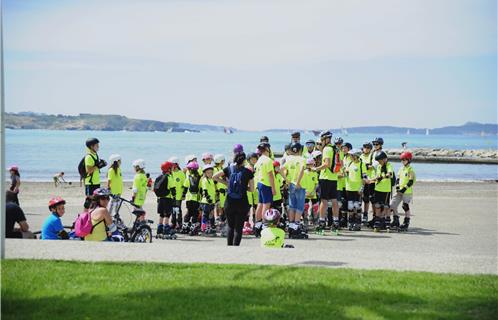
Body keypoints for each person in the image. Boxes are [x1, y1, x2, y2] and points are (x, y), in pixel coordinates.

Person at [213, 152, 254, 246]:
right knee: (238, 227)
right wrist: (244, 187)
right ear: (244, 161)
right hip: (242, 202)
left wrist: (226, 183)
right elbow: (252, 189)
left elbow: (215, 176)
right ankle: (236, 247)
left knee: (230, 226)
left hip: (229, 201)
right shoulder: (248, 172)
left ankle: (229, 247)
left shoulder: (229, 169)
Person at [314, 130, 340, 233]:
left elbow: (327, 164)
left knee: (323, 201)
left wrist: (315, 169)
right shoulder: (336, 149)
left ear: (325, 139)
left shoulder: (327, 149)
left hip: (325, 178)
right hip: (334, 178)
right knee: (334, 200)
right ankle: (336, 223)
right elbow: (340, 163)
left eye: (321, 140)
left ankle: (321, 223)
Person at [283, 142, 307, 239]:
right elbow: (302, 169)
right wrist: (298, 182)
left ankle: (291, 226)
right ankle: (296, 227)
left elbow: (280, 169)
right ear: (300, 150)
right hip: (300, 185)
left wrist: (287, 179)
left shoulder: (288, 159)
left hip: (291, 184)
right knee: (300, 206)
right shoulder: (302, 159)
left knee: (292, 205)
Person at [253, 142, 276, 237]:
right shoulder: (268, 160)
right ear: (267, 149)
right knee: (266, 205)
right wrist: (273, 188)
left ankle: (257, 224)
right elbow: (270, 175)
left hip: (259, 183)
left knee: (260, 204)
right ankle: (264, 225)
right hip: (266, 184)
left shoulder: (259, 160)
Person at [390, 151, 416, 231]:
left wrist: (403, 189)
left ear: (409, 160)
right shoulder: (401, 168)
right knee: (392, 205)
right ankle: (396, 220)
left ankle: (406, 223)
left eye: (405, 159)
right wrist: (397, 188)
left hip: (407, 191)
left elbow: (410, 181)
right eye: (402, 159)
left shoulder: (410, 169)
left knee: (405, 206)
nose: (403, 161)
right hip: (399, 191)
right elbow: (398, 179)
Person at [369, 151, 395, 231]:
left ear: (384, 159)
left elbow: (390, 174)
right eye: (378, 161)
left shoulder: (389, 165)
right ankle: (377, 222)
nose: (379, 162)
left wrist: (382, 177)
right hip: (377, 189)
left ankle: (386, 222)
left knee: (386, 206)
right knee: (377, 205)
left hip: (386, 189)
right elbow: (376, 177)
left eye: (380, 160)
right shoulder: (379, 167)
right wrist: (369, 180)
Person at [344, 149, 367, 231]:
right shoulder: (349, 163)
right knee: (350, 206)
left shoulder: (362, 164)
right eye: (350, 155)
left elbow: (365, 178)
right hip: (349, 188)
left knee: (357, 207)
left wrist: (362, 188)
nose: (351, 157)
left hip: (358, 189)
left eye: (352, 155)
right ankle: (350, 222)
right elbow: (346, 173)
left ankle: (357, 224)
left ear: (356, 156)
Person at [154, 161, 176, 238]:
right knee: (167, 214)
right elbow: (173, 189)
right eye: (171, 168)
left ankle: (159, 229)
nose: (173, 169)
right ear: (168, 169)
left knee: (161, 214)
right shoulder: (169, 177)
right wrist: (174, 197)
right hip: (167, 199)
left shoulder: (159, 176)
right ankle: (166, 229)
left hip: (160, 199)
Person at [182, 161, 201, 235]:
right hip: (197, 199)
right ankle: (192, 229)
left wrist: (183, 196)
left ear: (189, 170)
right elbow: (201, 188)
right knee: (195, 214)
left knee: (189, 213)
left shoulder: (188, 178)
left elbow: (185, 188)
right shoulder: (200, 178)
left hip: (189, 198)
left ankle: (184, 228)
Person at [360, 142, 375, 224]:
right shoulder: (361, 156)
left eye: (368, 147)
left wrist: (365, 166)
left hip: (370, 180)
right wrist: (367, 166)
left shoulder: (372, 156)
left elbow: (373, 166)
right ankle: (362, 214)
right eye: (365, 147)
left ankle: (369, 215)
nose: (366, 149)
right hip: (362, 180)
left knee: (369, 199)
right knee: (361, 199)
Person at [200, 163, 217, 235]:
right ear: (205, 173)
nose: (210, 174)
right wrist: (208, 198)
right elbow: (205, 191)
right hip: (206, 201)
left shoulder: (211, 180)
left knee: (211, 214)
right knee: (205, 214)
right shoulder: (204, 180)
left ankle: (210, 227)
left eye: (211, 172)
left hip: (212, 201)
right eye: (208, 173)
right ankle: (203, 228)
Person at [169, 156, 186, 231]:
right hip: (171, 196)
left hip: (179, 196)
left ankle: (179, 223)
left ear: (176, 165)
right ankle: (173, 223)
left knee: (178, 210)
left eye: (172, 164)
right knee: (172, 209)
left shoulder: (181, 173)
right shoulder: (170, 173)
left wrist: (183, 194)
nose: (171, 166)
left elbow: (185, 185)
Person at [302, 157, 319, 226]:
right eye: (308, 164)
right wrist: (305, 191)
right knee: (305, 207)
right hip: (305, 192)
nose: (310, 166)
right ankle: (305, 219)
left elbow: (316, 183)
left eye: (312, 164)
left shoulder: (315, 173)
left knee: (315, 207)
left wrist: (313, 191)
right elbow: (301, 183)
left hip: (313, 193)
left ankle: (315, 220)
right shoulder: (303, 173)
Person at [214, 154, 227, 232]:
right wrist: (216, 190)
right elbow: (214, 182)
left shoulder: (222, 168)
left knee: (223, 207)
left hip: (224, 191)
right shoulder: (215, 169)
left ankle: (222, 222)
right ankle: (219, 222)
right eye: (223, 161)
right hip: (218, 192)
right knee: (219, 207)